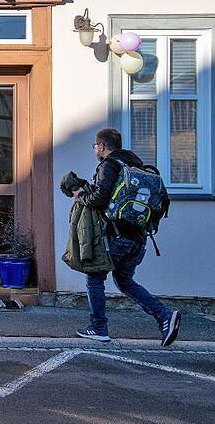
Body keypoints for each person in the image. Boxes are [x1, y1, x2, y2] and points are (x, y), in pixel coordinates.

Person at [72, 128, 179, 346]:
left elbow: (99, 198)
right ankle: (165, 316)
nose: (95, 150)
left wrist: (80, 196)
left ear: (102, 146)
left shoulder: (109, 165)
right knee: (124, 281)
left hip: (116, 237)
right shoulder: (135, 164)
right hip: (138, 238)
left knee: (94, 278)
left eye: (96, 146)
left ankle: (98, 327)